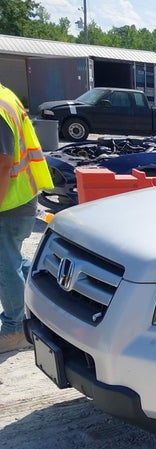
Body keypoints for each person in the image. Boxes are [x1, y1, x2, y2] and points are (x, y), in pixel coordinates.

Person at [0, 82, 53, 354]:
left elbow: (3, 161)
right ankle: (44, 303)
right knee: (13, 259)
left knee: (4, 264)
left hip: (9, 203)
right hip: (20, 196)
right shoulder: (6, 95)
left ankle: (14, 329)